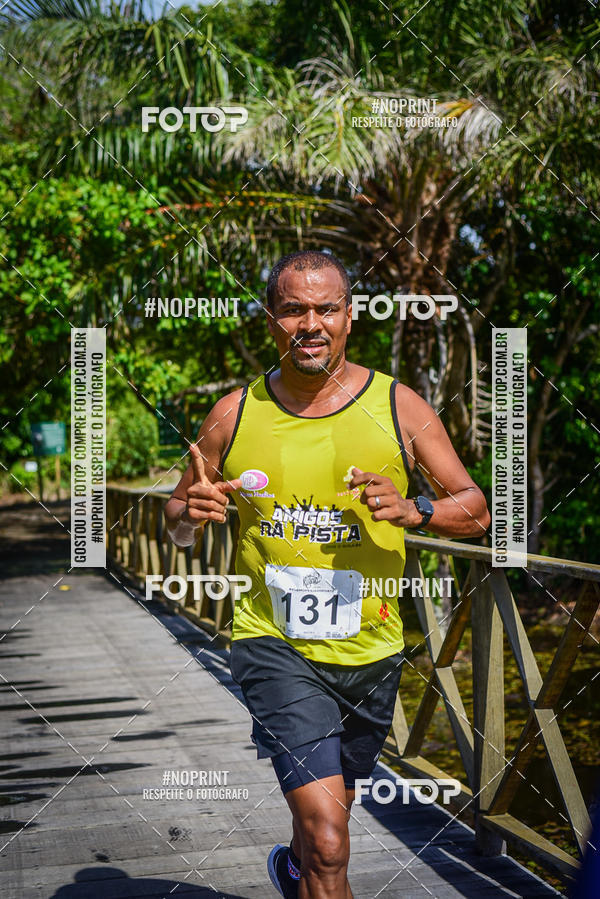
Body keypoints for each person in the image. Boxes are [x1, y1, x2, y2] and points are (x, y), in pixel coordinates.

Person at [165, 250, 491, 899]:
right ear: (271, 321)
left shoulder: (399, 407)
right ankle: (309, 862)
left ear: (349, 316)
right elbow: (177, 514)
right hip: (273, 646)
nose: (309, 324)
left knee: (323, 828)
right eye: (293, 309)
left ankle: (294, 869)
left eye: (325, 308)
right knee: (331, 842)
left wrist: (413, 507)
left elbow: (476, 509)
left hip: (372, 648)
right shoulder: (234, 413)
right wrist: (188, 515)